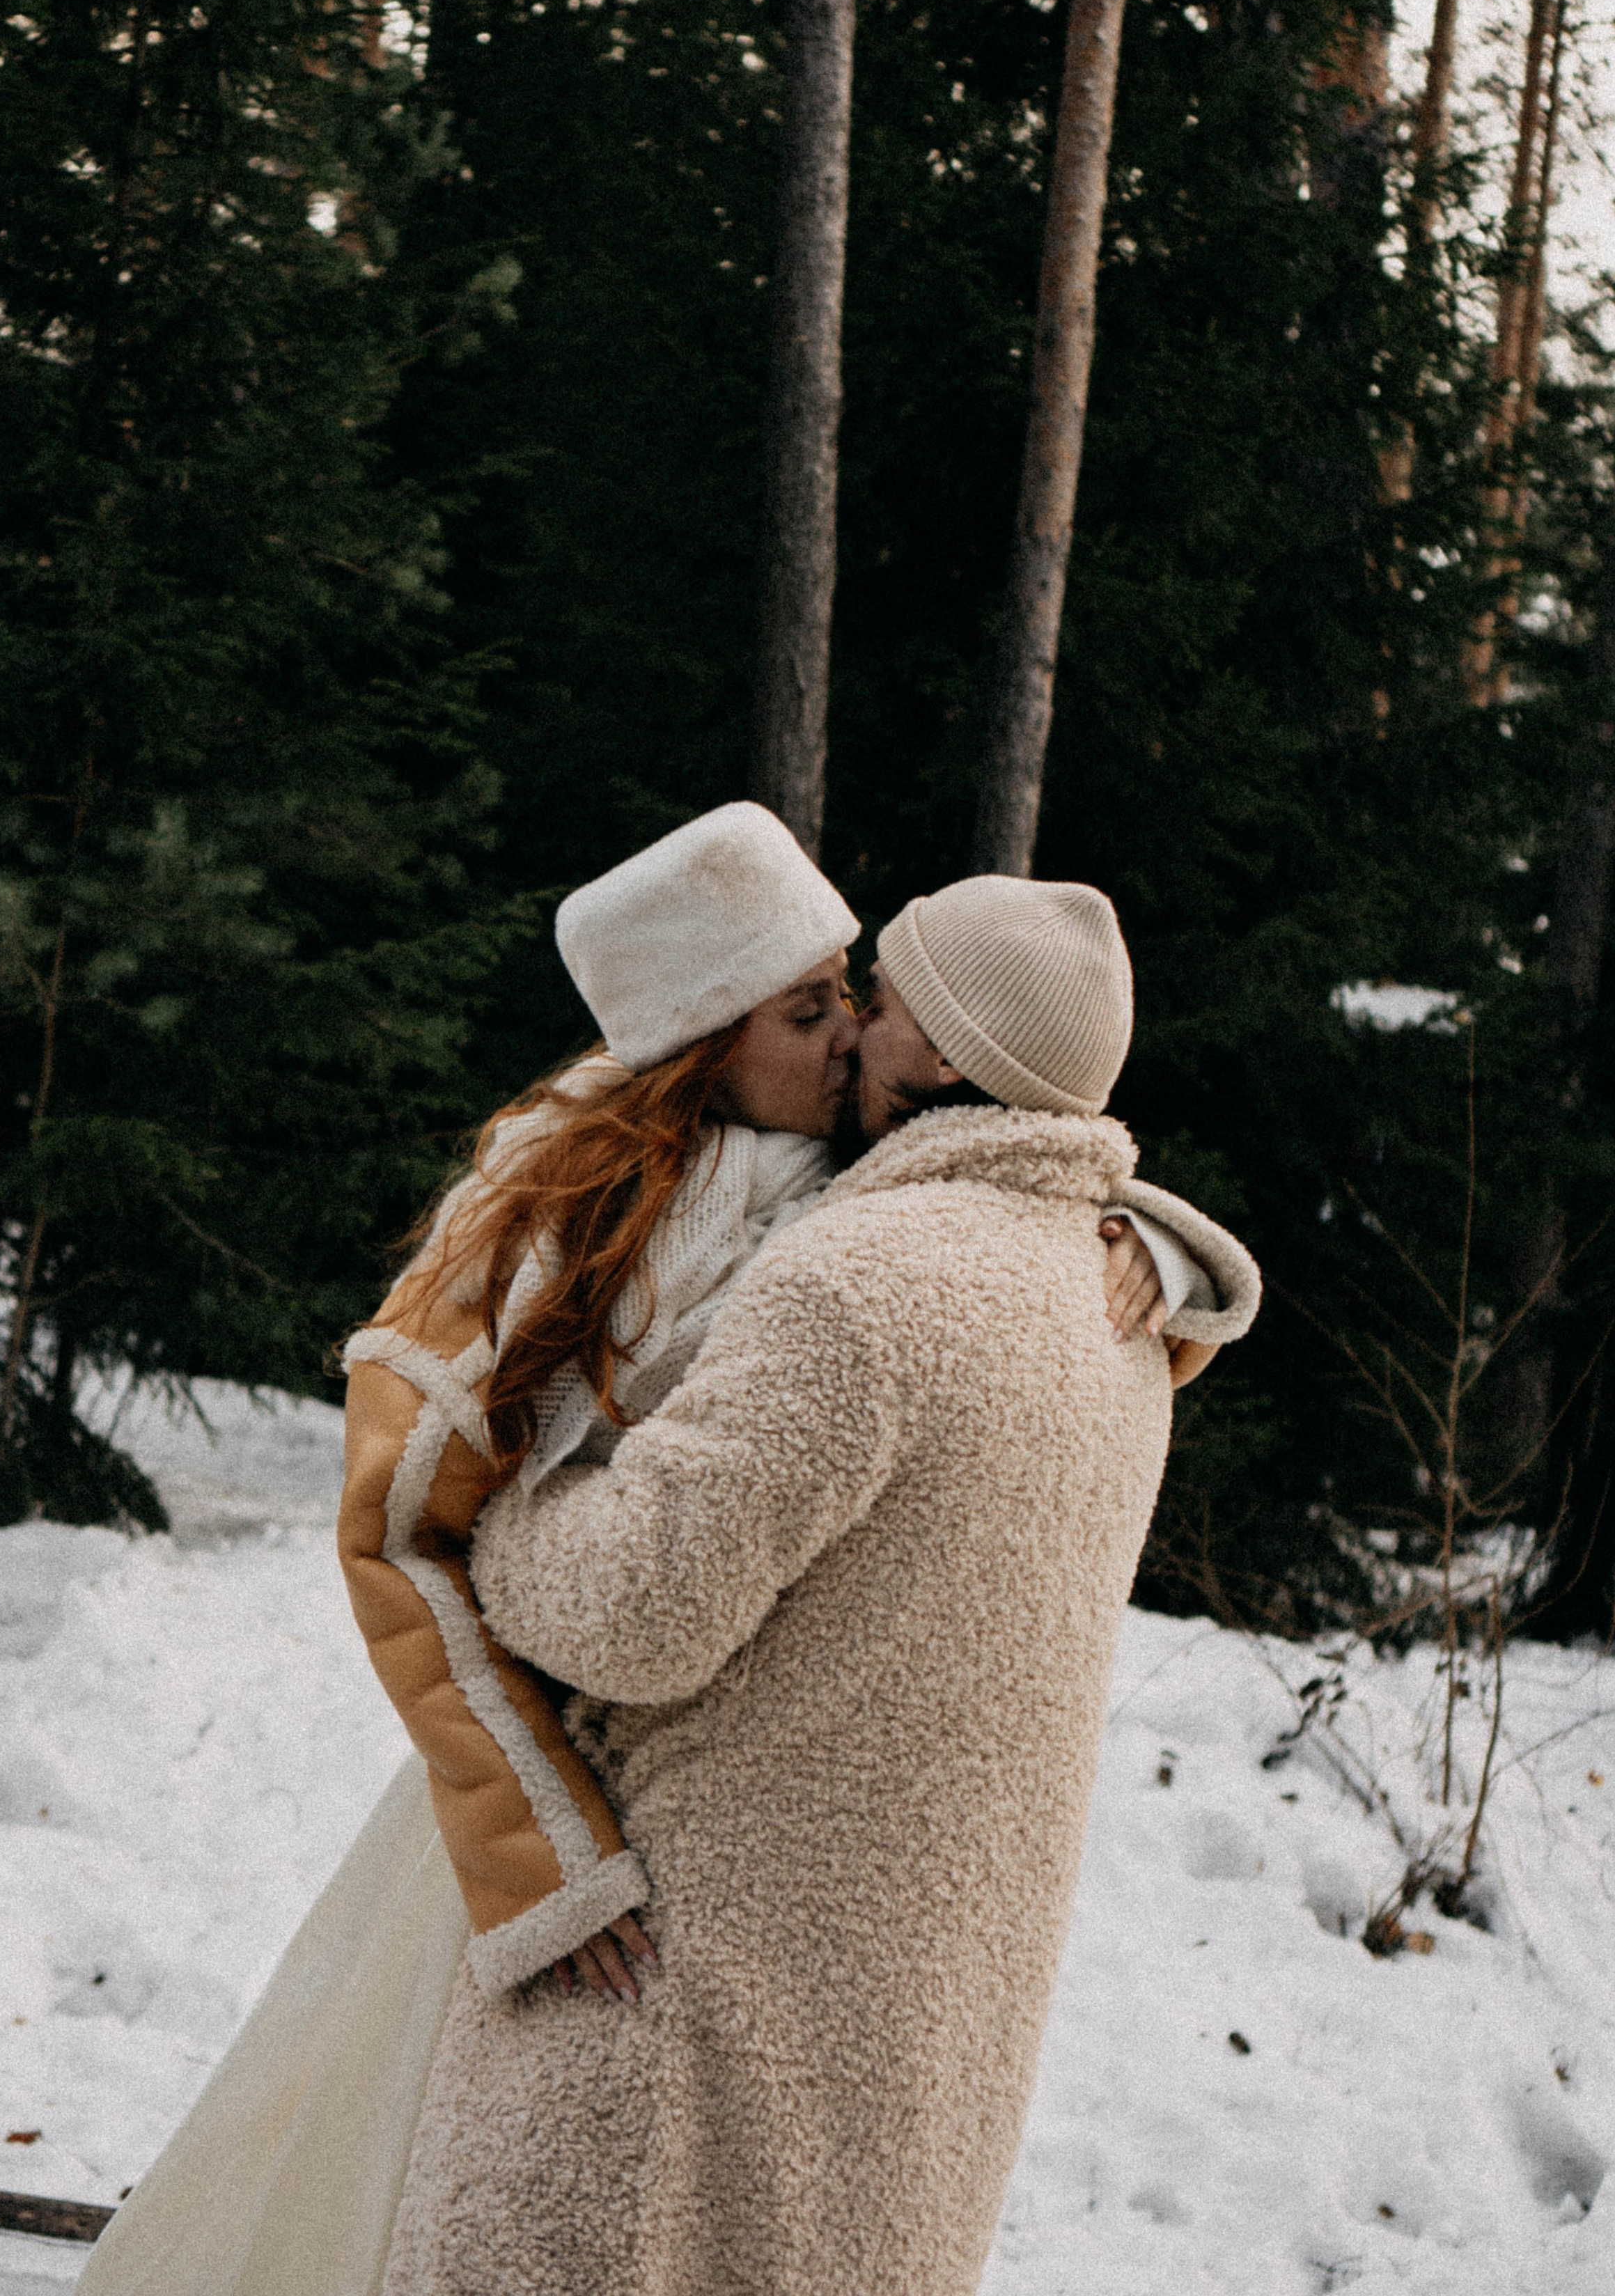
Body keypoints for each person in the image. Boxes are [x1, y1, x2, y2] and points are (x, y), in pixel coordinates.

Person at [74, 808, 1207, 2296]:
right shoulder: (558, 1216)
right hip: (537, 1808)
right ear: (695, 1037)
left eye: (859, 1000)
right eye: (811, 1006)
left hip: (697, 1860)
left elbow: (646, 1586)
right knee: (328, 2177)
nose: (850, 1029)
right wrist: (534, 1851)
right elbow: (402, 1538)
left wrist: (1176, 1252)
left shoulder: (863, 1221)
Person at [375, 864, 1259, 2296]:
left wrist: (516, 1514)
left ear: (951, 1060)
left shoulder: (858, 1283)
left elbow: (633, 1616)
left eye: (884, 1003)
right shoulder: (1119, 1320)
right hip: (908, 2048)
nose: (851, 1032)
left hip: (688, 2011)